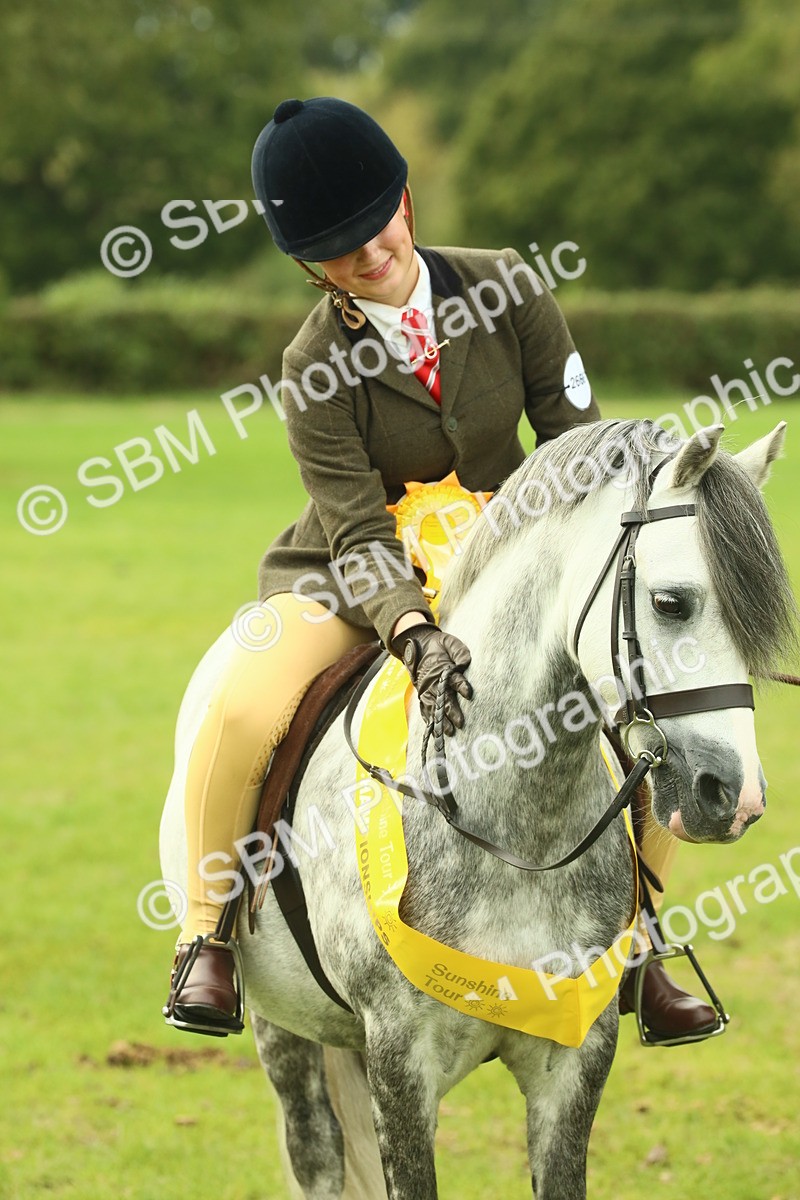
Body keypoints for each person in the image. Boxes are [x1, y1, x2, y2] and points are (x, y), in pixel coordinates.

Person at [163, 95, 717, 1041]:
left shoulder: (508, 287)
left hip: (509, 563)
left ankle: (640, 939)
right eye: (336, 249)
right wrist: (413, 628)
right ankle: (207, 933)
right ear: (307, 266)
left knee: (647, 696)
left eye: (374, 226)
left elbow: (579, 444)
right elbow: (354, 528)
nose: (367, 254)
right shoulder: (310, 364)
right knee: (243, 705)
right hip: (354, 578)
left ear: (406, 203)